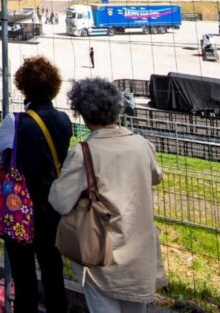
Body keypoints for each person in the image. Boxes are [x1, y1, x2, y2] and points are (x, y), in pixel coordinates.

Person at [49, 78, 164, 313]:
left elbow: (59, 202)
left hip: (101, 251)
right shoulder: (141, 144)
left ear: (83, 114)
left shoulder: (84, 152)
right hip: (139, 249)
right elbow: (155, 177)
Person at [0, 56, 74, 313]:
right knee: (52, 269)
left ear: (23, 87)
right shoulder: (64, 120)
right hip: (52, 205)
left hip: (20, 206)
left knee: (24, 274)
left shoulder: (15, 121)